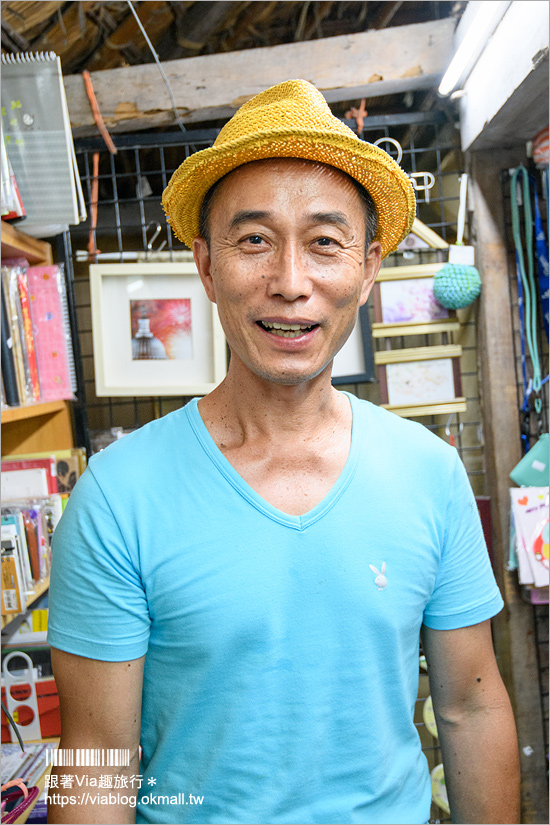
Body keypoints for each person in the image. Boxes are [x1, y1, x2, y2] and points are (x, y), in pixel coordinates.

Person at [47, 80, 519, 825]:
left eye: (326, 242)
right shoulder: (117, 495)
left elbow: (472, 703)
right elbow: (97, 760)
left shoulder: (428, 473)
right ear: (206, 266)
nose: (291, 283)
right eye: (254, 240)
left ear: (366, 271)